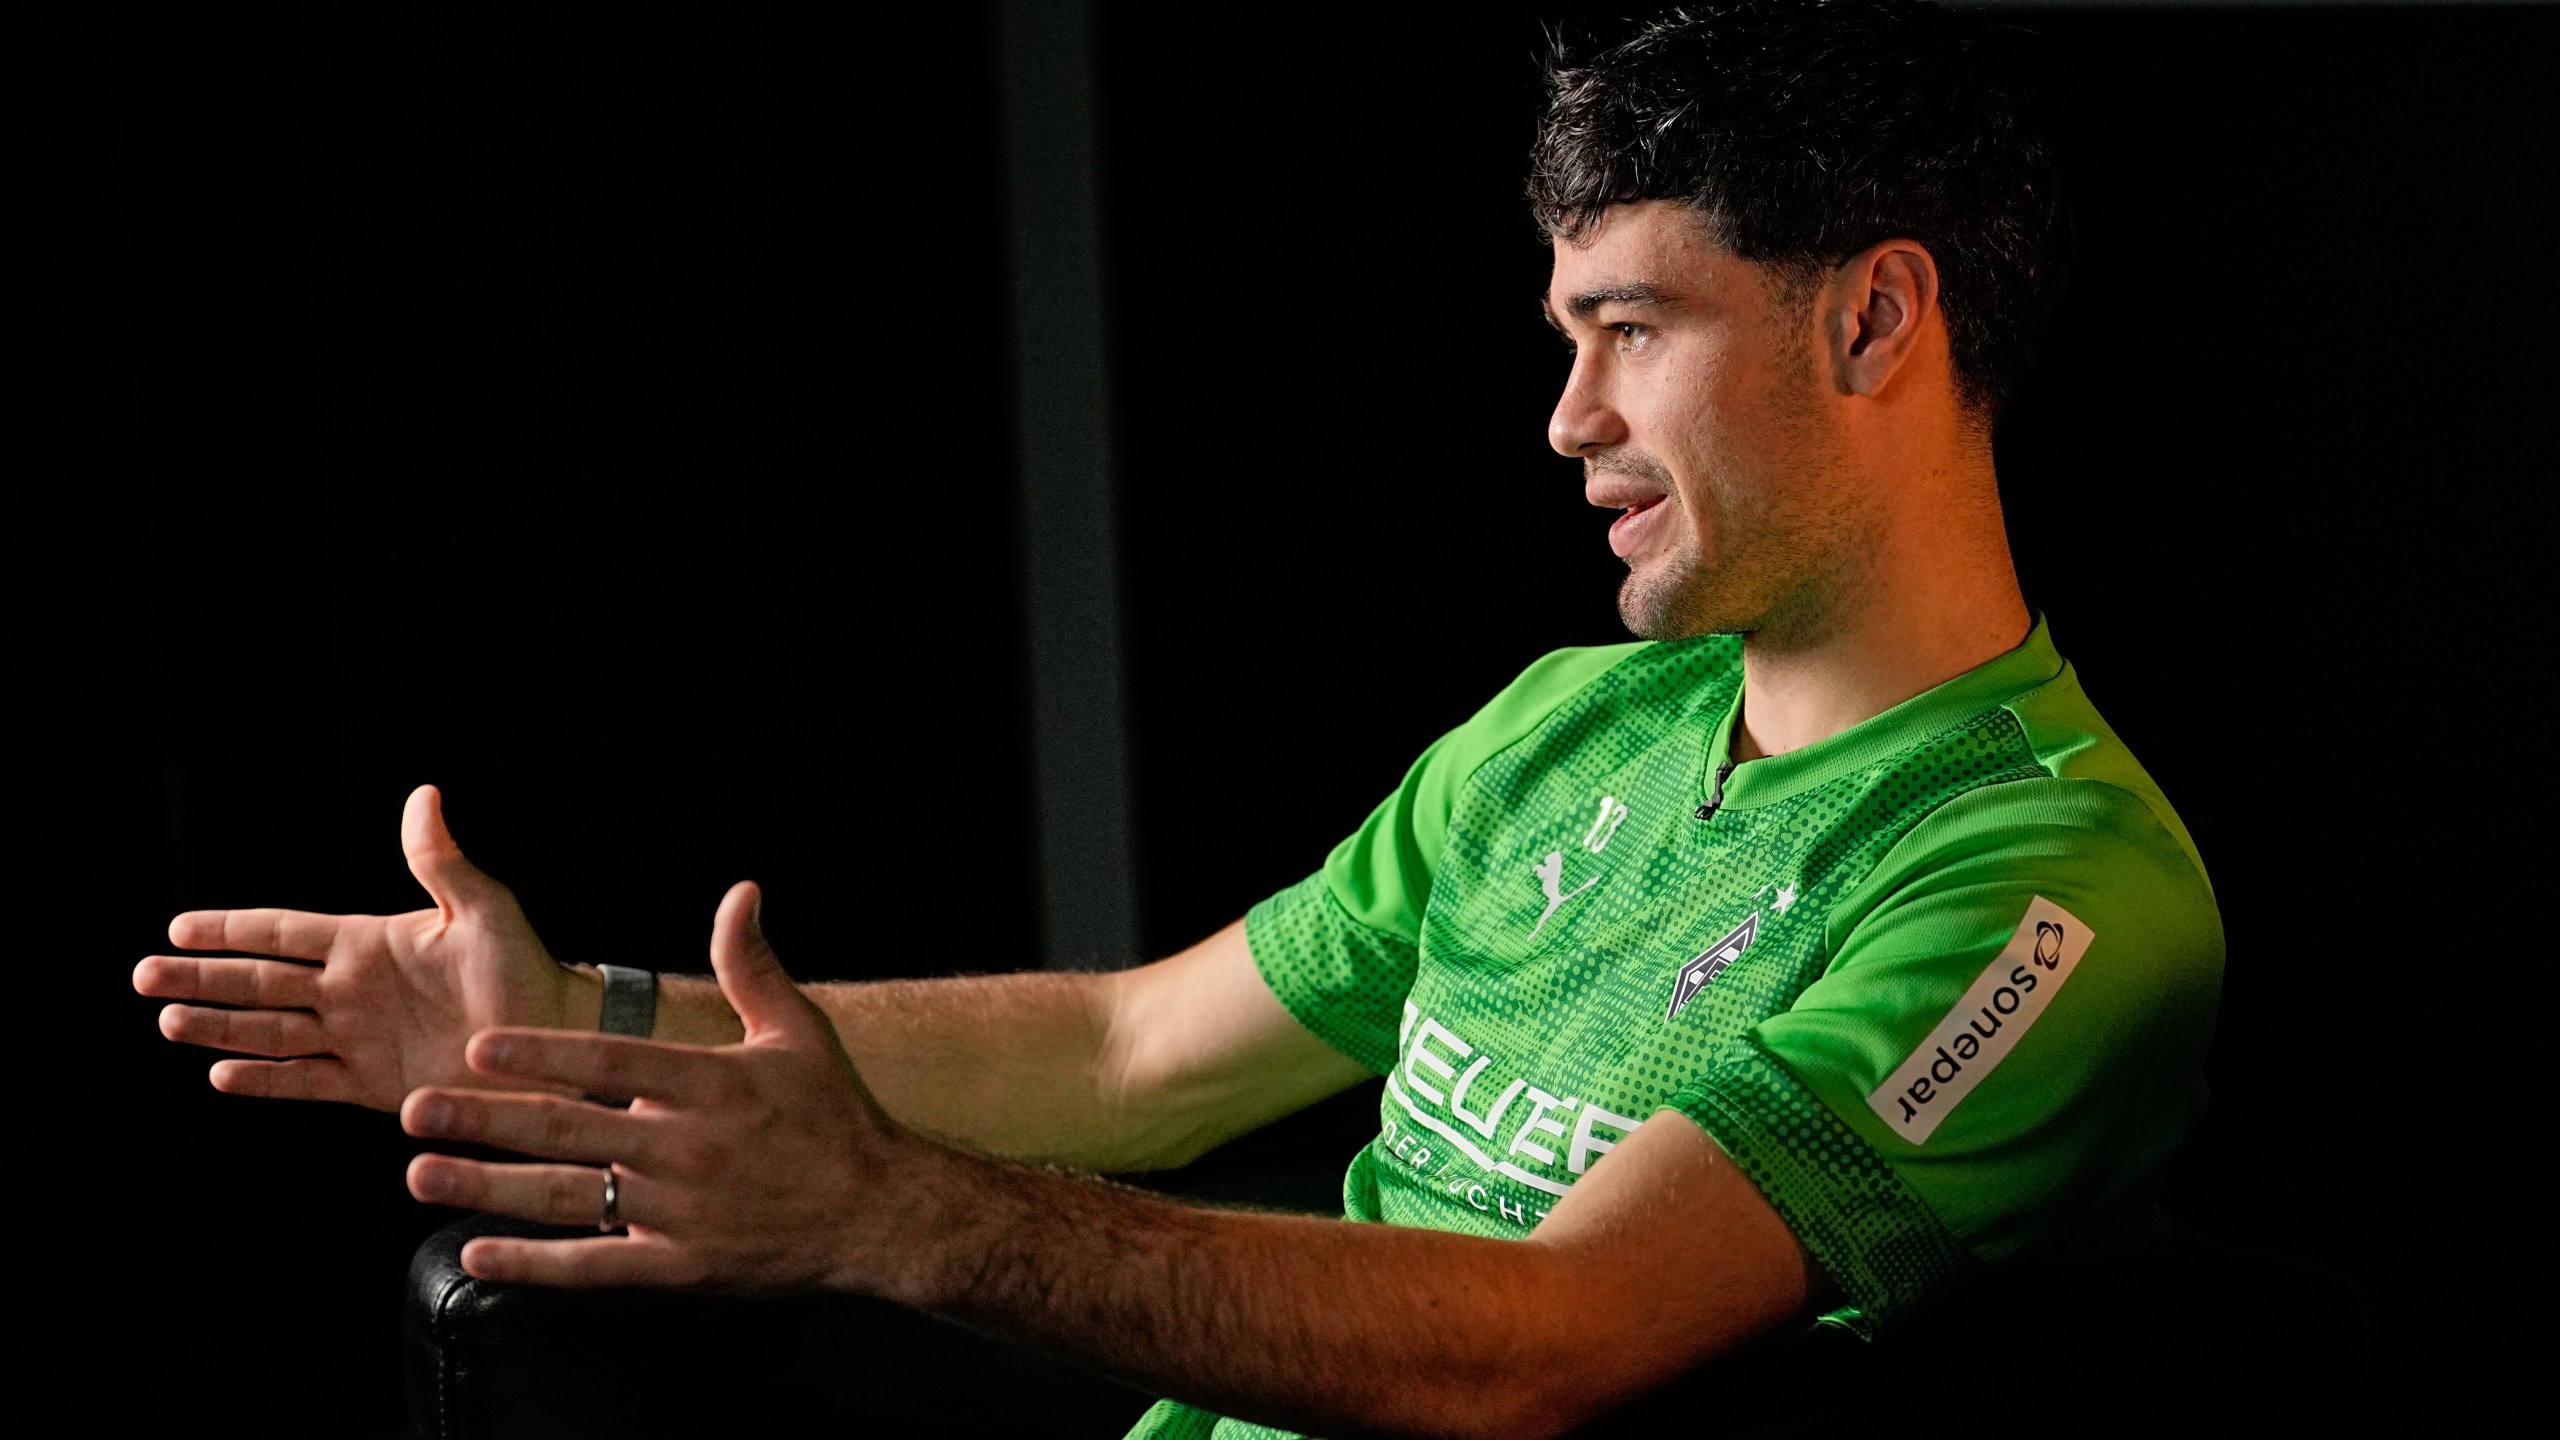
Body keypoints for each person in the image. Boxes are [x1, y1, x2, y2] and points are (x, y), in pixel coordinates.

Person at [131, 3, 2223, 1435]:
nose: (1566, 419)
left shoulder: (2047, 893)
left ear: (1873, 317)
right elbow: (1136, 1051)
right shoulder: (1577, 722)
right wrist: (578, 1026)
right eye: (1565, 336)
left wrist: (892, 1212)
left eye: (1631, 329)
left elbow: (1551, 1339)